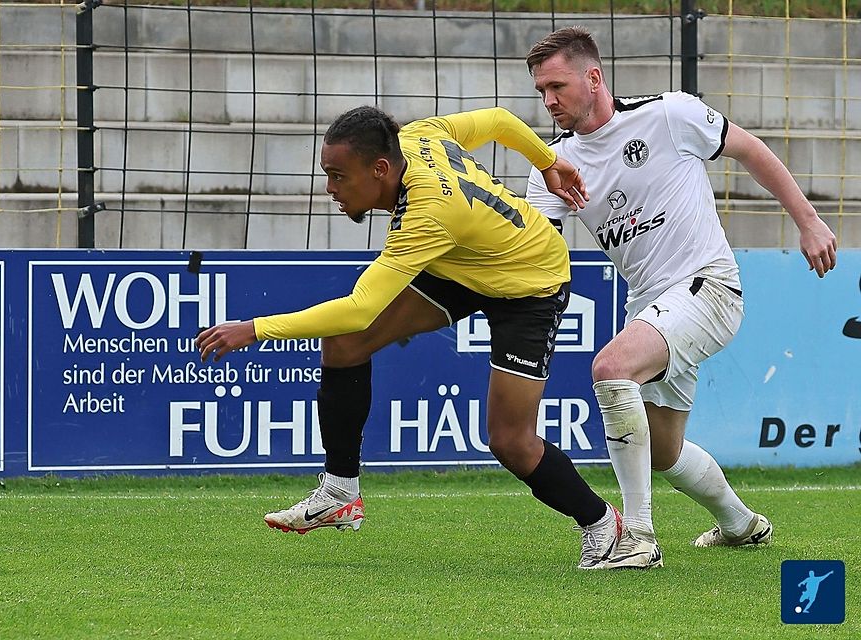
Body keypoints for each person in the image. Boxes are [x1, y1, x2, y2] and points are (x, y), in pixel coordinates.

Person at [196, 104, 626, 569]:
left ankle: (606, 527)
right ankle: (340, 491)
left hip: (530, 283)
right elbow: (501, 120)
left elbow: (360, 308)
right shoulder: (419, 135)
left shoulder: (426, 215)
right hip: (464, 261)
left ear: (380, 169)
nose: (330, 188)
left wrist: (254, 329)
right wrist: (548, 161)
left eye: (339, 176)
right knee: (344, 345)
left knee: (510, 441)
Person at [524, 26, 838, 569]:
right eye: (541, 92)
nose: (548, 101)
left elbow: (750, 150)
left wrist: (808, 221)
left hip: (709, 285)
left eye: (556, 87)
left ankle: (637, 537)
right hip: (649, 305)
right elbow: (536, 251)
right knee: (663, 451)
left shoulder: (670, 114)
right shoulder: (552, 167)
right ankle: (741, 524)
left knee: (610, 367)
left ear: (593, 77)